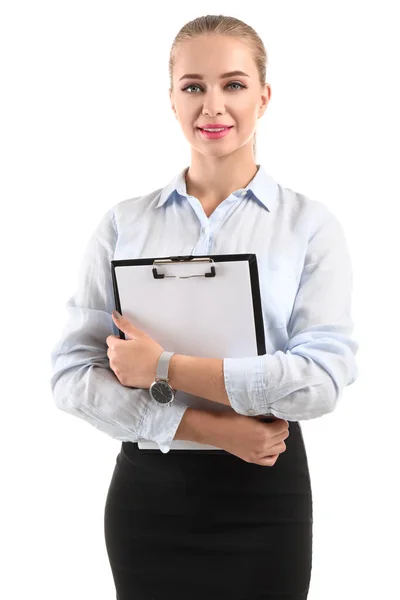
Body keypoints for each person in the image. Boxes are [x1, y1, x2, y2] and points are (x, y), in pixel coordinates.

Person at [49, 14, 359, 600]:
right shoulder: (124, 223)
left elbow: (321, 382)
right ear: (171, 99)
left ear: (263, 97)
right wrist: (208, 428)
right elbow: (69, 376)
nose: (212, 106)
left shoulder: (309, 226)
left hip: (266, 493)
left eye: (233, 84)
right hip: (149, 496)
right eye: (193, 86)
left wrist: (162, 368)